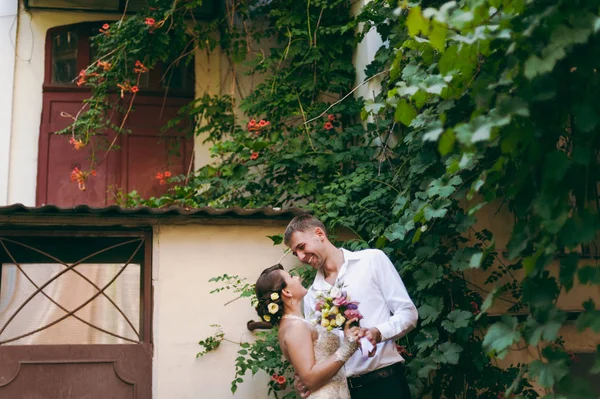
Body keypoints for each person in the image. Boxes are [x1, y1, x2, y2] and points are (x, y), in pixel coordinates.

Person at [284, 214, 418, 399]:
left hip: (387, 384)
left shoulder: (372, 260)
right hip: (346, 391)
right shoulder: (311, 296)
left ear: (319, 234)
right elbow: (318, 350)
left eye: (301, 247)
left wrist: (377, 332)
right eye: (295, 253)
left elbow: (408, 314)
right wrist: (305, 376)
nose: (300, 257)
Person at [255, 264, 361, 398]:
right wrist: (348, 347)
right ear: (287, 292)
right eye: (291, 276)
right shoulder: (295, 327)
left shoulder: (295, 323)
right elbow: (310, 378)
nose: (298, 278)